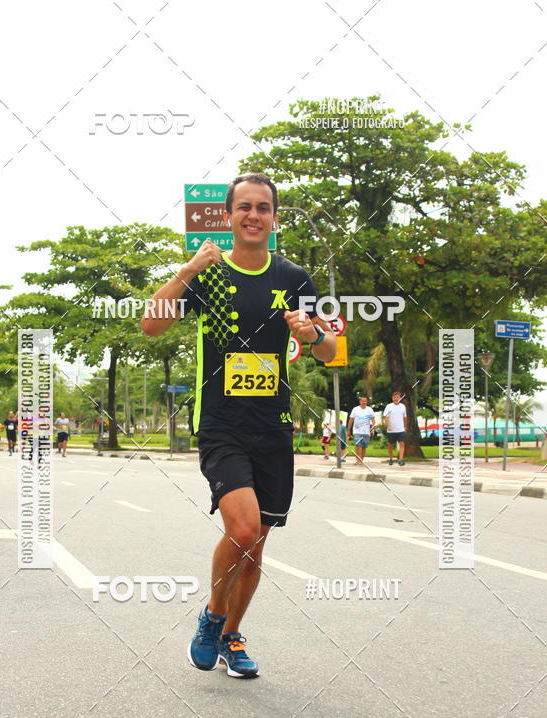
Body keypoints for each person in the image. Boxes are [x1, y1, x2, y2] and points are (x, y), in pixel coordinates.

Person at [141, 172, 336, 678]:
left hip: (274, 426)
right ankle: (212, 617)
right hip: (221, 424)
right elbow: (152, 323)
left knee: (255, 546)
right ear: (228, 216)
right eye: (244, 207)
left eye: (263, 207)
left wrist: (312, 333)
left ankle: (231, 636)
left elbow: (330, 350)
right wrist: (189, 268)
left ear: (274, 217)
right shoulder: (207, 273)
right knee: (244, 529)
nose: (254, 215)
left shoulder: (294, 278)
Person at [347, 396, 377, 464]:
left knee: (364, 446)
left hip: (366, 431)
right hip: (357, 431)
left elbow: (373, 420)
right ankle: (357, 460)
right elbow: (351, 420)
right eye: (362, 401)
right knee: (357, 445)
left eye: (365, 401)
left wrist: (372, 429)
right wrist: (348, 430)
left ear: (367, 402)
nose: (364, 402)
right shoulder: (355, 409)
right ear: (360, 402)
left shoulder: (370, 410)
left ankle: (361, 460)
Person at [383, 391, 408, 466]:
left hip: (400, 429)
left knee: (402, 444)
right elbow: (386, 417)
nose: (396, 399)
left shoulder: (403, 406)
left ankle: (400, 460)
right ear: (392, 398)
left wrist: (405, 426)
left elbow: (405, 417)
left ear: (400, 398)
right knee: (390, 444)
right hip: (391, 430)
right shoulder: (389, 406)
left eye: (398, 397)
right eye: (395, 397)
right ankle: (390, 459)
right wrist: (388, 426)